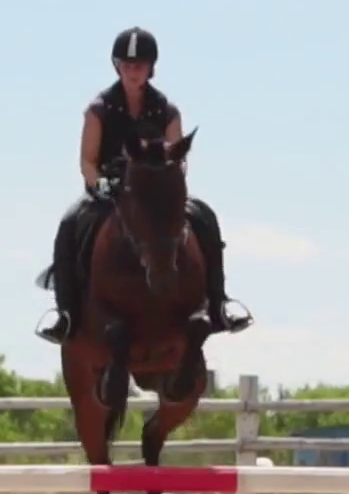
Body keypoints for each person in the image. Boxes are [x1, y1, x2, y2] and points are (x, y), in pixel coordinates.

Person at [35, 26, 253, 344]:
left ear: (151, 68)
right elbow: (87, 161)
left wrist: (170, 183)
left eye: (138, 65)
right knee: (70, 222)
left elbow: (178, 156)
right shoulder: (99, 109)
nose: (132, 71)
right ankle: (64, 313)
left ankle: (220, 304)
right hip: (109, 191)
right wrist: (101, 184)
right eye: (125, 65)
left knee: (205, 218)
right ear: (116, 67)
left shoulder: (167, 109)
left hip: (157, 195)